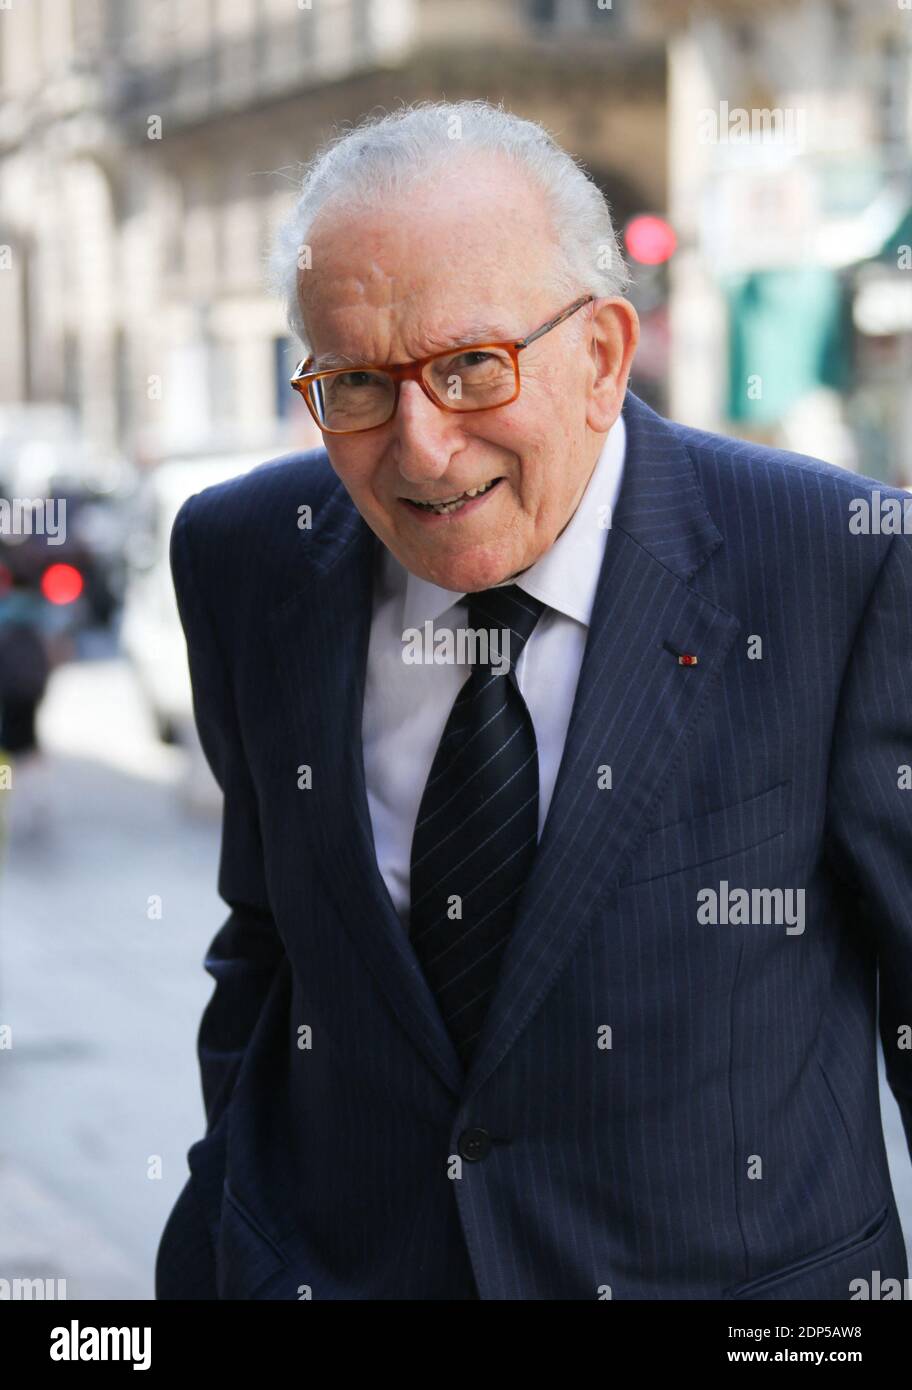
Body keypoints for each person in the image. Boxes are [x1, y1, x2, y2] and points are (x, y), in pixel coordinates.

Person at [155, 101, 912, 1301]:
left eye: (469, 368)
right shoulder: (241, 554)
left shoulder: (838, 564)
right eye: (355, 384)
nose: (421, 449)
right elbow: (268, 941)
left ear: (605, 354)